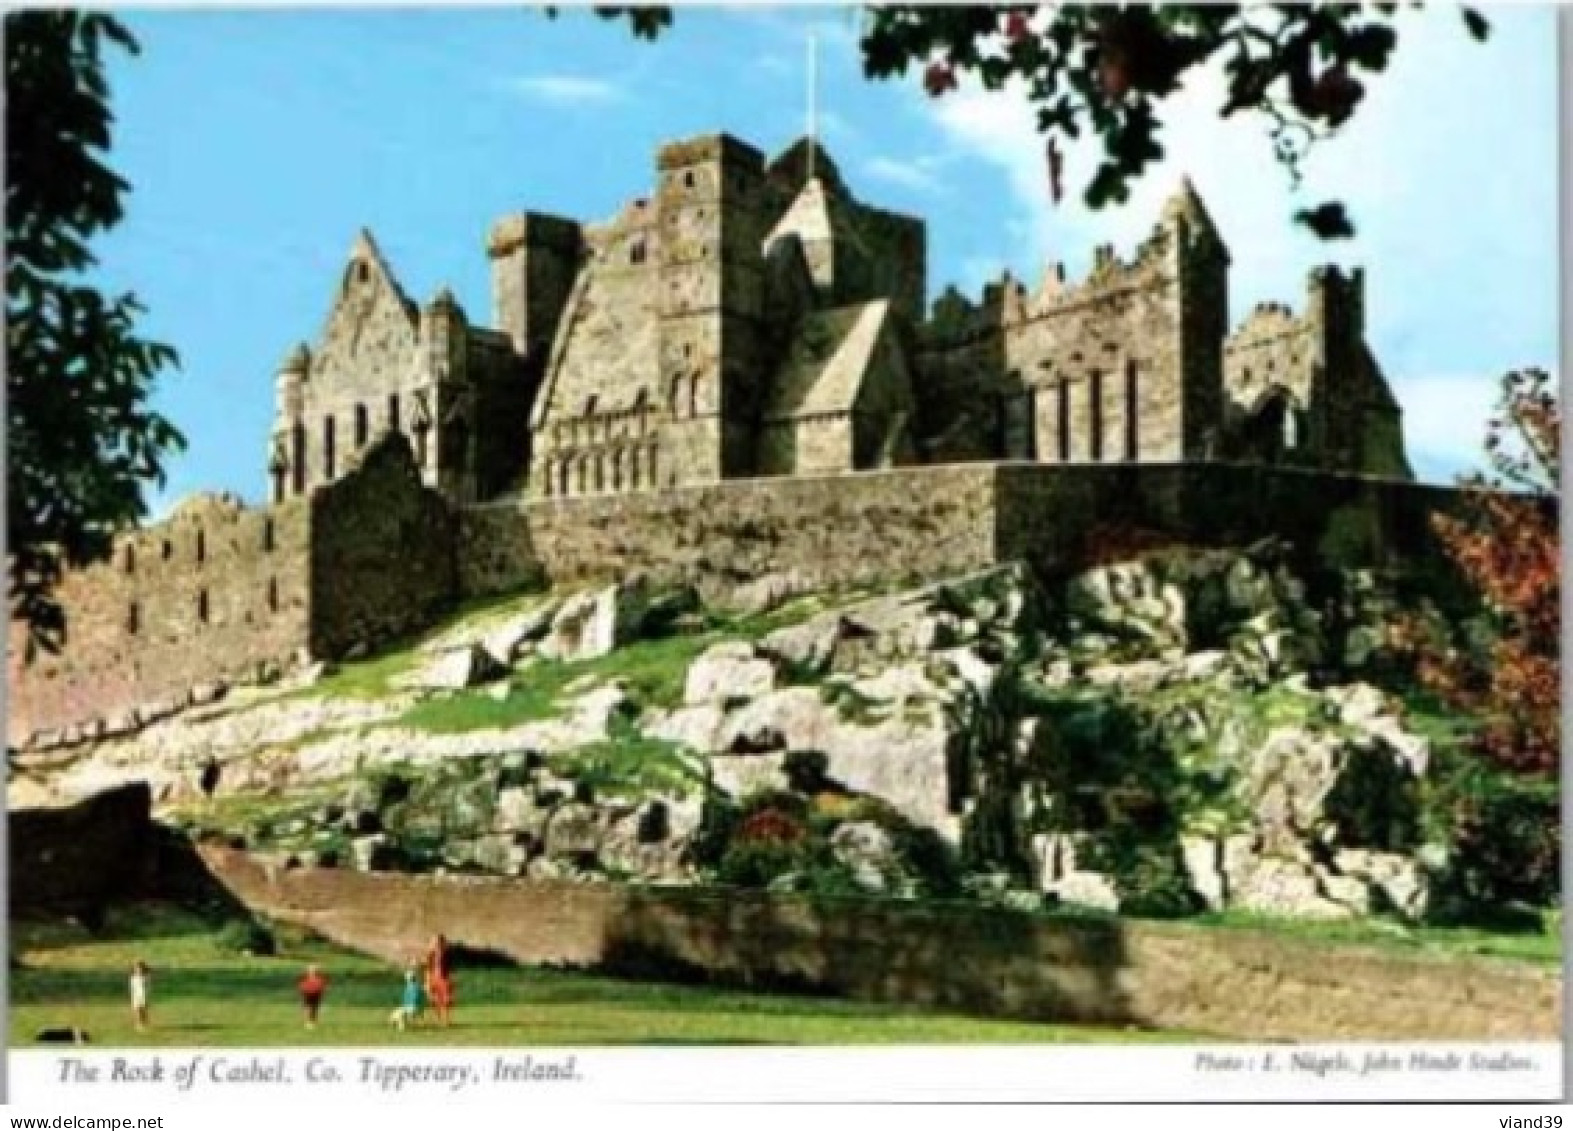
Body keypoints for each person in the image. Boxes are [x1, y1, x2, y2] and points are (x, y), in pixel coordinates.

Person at [423, 934, 453, 1028]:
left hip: (444, 978)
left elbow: (451, 968)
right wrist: (427, 982)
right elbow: (427, 969)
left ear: (443, 943)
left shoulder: (448, 954)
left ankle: (446, 1020)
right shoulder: (430, 954)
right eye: (434, 942)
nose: (436, 944)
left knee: (446, 1000)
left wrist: (451, 979)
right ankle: (437, 1019)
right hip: (433, 978)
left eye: (439, 942)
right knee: (434, 1000)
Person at [390, 964, 423, 1031]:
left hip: (411, 1008)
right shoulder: (416, 986)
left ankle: (402, 1028)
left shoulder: (412, 987)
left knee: (395, 1016)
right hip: (413, 1008)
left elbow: (413, 1000)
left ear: (409, 978)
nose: (406, 979)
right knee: (396, 1016)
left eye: (407, 978)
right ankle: (402, 1024)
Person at [298, 964, 328, 1030]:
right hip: (307, 994)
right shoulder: (304, 976)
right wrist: (302, 990)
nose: (312, 970)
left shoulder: (320, 977)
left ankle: (314, 1022)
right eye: (310, 969)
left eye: (313, 969)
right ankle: (307, 1022)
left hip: (317, 994)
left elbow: (324, 985)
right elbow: (300, 984)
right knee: (308, 1007)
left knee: (315, 1008)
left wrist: (323, 991)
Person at [128, 960, 150, 1032]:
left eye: (140, 968)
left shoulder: (146, 977)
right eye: (136, 968)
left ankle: (144, 1022)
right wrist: (132, 996)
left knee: (143, 1010)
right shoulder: (133, 978)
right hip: (135, 996)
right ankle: (139, 1024)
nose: (138, 970)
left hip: (144, 995)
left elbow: (147, 987)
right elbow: (132, 987)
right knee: (137, 1010)